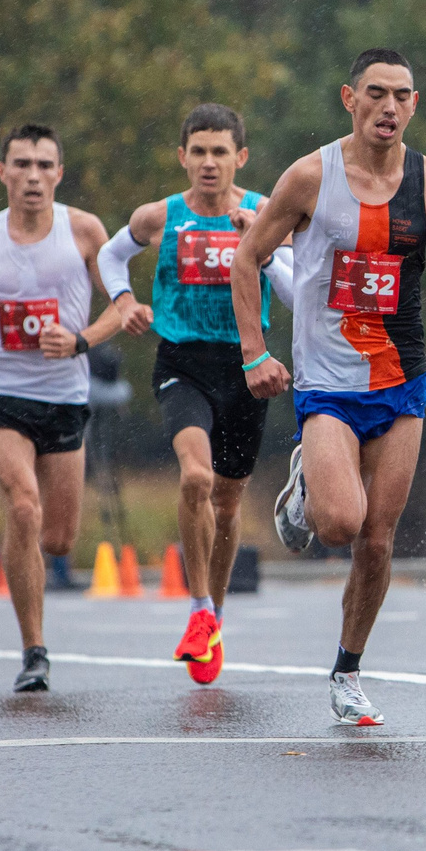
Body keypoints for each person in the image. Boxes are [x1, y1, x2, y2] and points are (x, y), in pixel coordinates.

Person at [235, 50, 426, 727]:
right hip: (326, 380)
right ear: (350, 97)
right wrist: (254, 351)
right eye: (375, 93)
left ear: (414, 104)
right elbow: (248, 257)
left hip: (401, 381)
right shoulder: (311, 176)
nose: (389, 107)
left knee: (377, 538)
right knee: (341, 522)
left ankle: (347, 670)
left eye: (402, 95)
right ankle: (310, 481)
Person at [97, 103, 298, 686]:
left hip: (245, 367)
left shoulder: (264, 211)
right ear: (182, 157)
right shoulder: (160, 216)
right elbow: (111, 255)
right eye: (198, 152)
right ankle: (199, 609)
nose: (209, 163)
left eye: (220, 152)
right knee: (195, 479)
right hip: (182, 363)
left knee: (229, 505)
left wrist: (260, 247)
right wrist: (121, 300)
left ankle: (214, 617)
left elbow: (288, 293)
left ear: (241, 157)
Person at [0, 123, 138, 692]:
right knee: (23, 506)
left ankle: (30, 558)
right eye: (21, 164)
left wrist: (78, 341)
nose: (32, 176)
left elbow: (119, 310)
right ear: (2, 172)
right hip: (0, 394)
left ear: (59, 174)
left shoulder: (84, 231)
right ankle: (34, 651)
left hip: (64, 398)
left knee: (58, 540)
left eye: (44, 165)